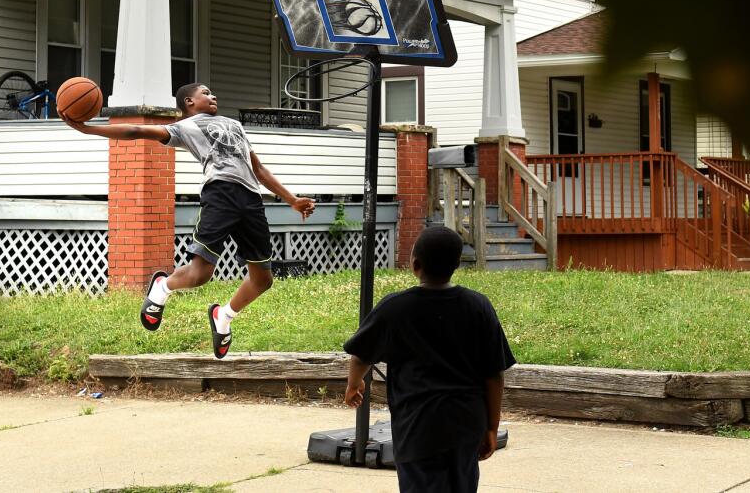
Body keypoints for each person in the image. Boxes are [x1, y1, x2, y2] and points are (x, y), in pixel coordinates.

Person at [64, 82, 315, 358]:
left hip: (251, 200)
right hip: (220, 194)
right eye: (205, 93)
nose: (213, 95)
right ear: (189, 103)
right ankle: (162, 287)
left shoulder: (235, 125)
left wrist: (291, 199)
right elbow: (135, 130)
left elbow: (259, 169)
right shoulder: (184, 127)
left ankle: (224, 317)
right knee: (200, 274)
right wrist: (87, 129)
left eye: (212, 92)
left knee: (263, 279)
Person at [343, 227, 515, 493]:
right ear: (457, 264)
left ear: (415, 265)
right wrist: (491, 427)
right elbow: (494, 374)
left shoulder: (395, 307)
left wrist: (354, 385)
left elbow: (360, 356)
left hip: (417, 428)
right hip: (465, 425)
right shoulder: (478, 306)